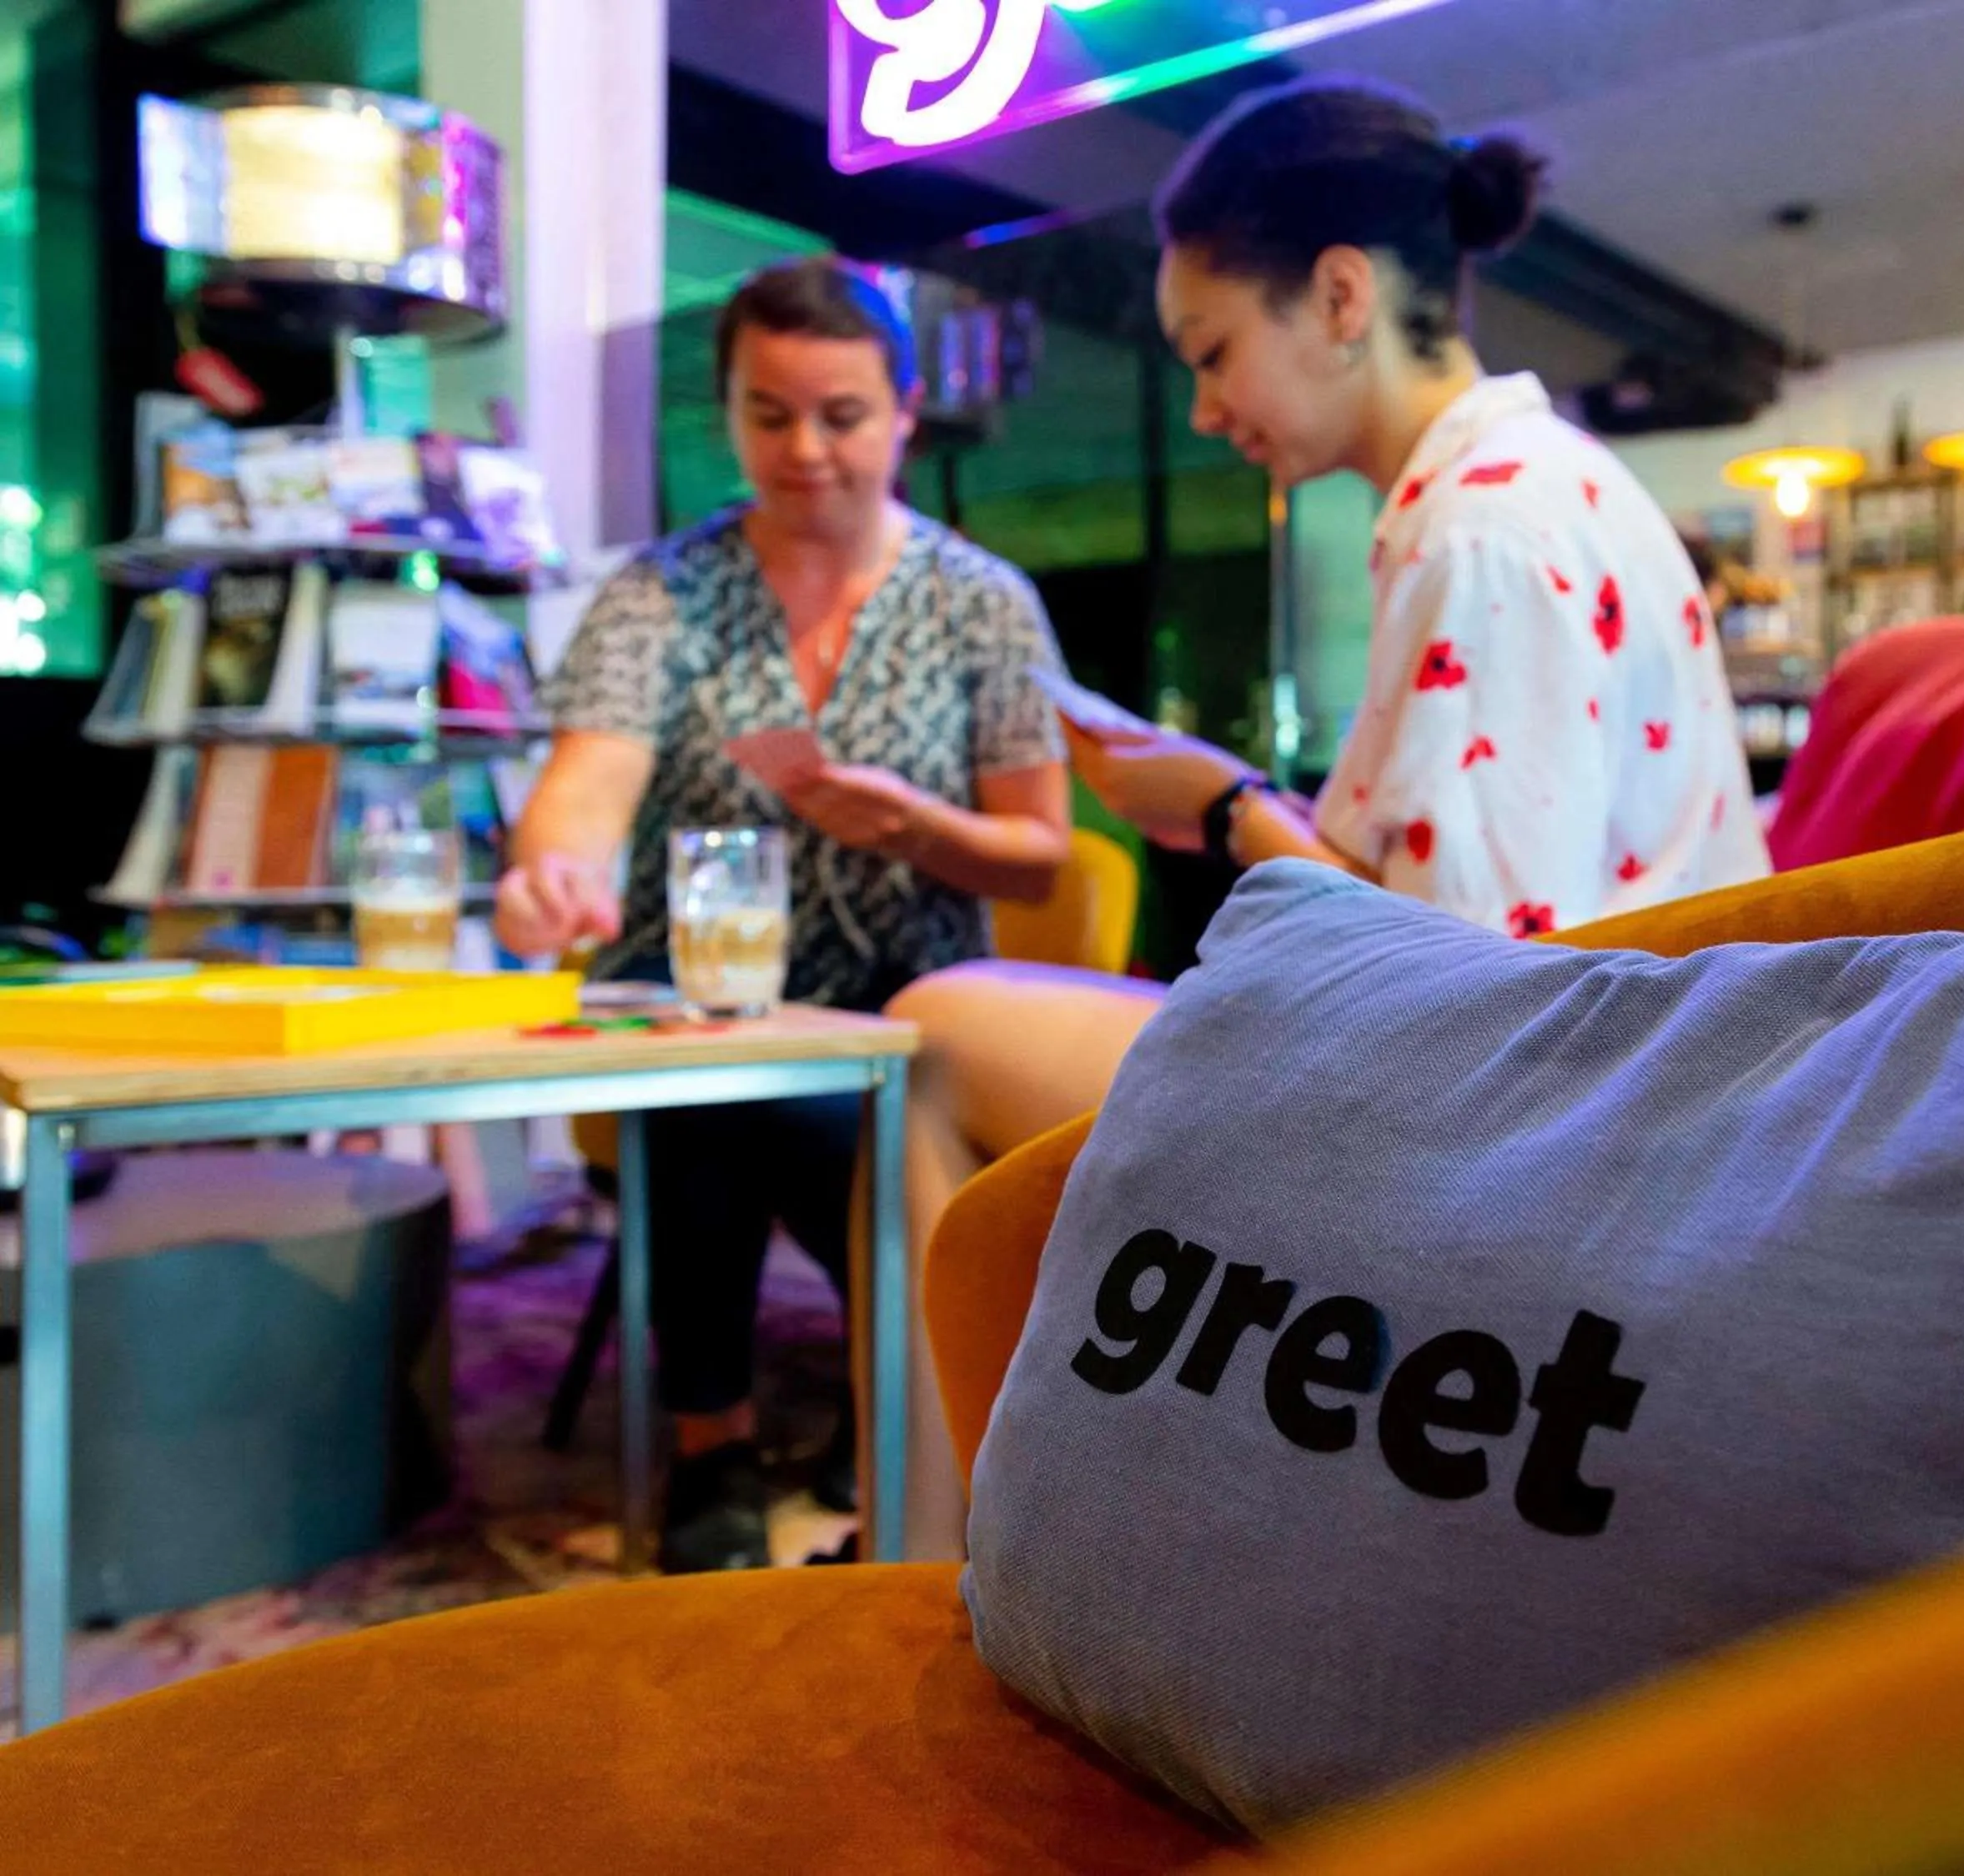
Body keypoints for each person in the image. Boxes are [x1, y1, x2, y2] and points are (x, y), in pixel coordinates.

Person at [886, 78, 1768, 1553]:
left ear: (1342, 296)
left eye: (1214, 351)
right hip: (1610, 1082)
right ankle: (1018, 1525)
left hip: (1536, 1117)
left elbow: (1455, 982)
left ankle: (944, 1561)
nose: (1206, 406)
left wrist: (1228, 808)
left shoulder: (1482, 525)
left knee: (929, 1029)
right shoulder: (1518, 491)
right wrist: (1228, 804)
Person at [494, 256, 1072, 1573]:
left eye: (843, 415)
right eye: (769, 416)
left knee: (821, 1105)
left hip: (897, 1009)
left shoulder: (984, 604)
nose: (804, 450)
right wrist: (554, 872)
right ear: (730, 415)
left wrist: (917, 826)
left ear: (907, 410)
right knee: (711, 1080)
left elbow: (1038, 859)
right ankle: (730, 1441)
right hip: (700, 1004)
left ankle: (867, 1432)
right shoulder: (664, 590)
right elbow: (587, 783)